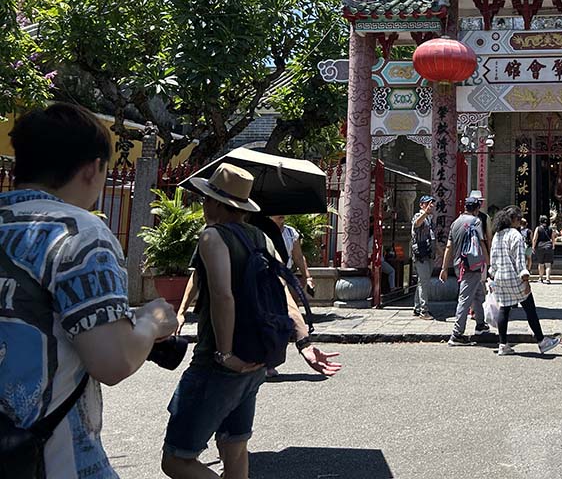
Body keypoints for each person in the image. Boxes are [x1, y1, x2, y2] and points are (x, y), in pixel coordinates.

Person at [0, 103, 178, 478]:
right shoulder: (79, 234)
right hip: (52, 459)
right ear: (93, 168)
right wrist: (151, 321)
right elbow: (112, 362)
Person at [161, 163, 340, 479]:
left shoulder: (212, 237)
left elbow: (221, 296)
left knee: (176, 460)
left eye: (206, 199)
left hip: (216, 363)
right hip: (257, 358)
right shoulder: (262, 238)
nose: (203, 205)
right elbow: (284, 292)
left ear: (218, 203)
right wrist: (304, 343)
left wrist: (226, 354)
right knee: (235, 448)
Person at [487, 206, 560, 356]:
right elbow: (520, 261)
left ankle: (503, 344)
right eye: (519, 219)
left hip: (500, 277)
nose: (520, 222)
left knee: (504, 309)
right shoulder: (515, 235)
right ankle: (541, 341)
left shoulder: (497, 235)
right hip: (515, 277)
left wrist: (492, 275)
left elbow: (492, 258)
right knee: (530, 309)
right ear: (512, 219)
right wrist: (525, 279)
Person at [440, 195, 493, 346]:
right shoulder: (476, 222)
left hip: (459, 265)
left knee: (478, 294)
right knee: (465, 299)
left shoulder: (455, 223)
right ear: (476, 209)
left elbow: (449, 246)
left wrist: (444, 268)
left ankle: (480, 325)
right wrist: (489, 264)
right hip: (472, 265)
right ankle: (456, 334)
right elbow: (482, 243)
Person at [410, 195, 436, 320]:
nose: (430, 206)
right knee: (424, 283)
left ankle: (417, 307)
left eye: (431, 204)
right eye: (427, 203)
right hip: (420, 255)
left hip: (428, 253)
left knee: (422, 281)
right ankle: (424, 310)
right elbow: (417, 223)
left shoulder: (430, 219)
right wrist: (425, 213)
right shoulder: (419, 216)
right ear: (421, 205)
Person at [533, 214, 555, 283]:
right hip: (548, 246)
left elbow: (534, 238)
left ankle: (540, 278)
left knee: (541, 263)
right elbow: (553, 238)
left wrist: (533, 247)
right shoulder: (550, 228)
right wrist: (553, 245)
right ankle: (548, 278)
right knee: (548, 264)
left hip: (540, 247)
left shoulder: (538, 228)